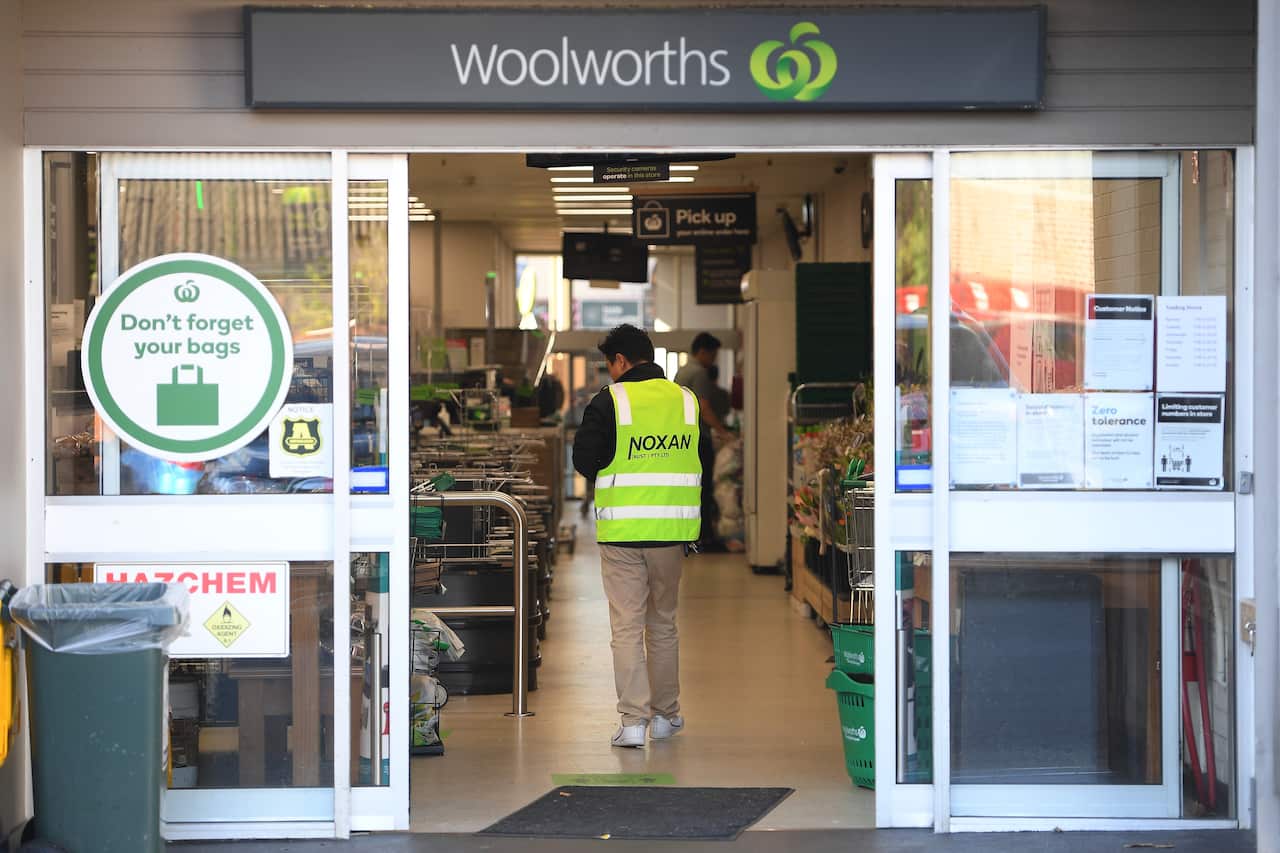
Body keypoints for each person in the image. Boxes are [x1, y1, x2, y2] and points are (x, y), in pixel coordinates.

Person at [572, 324, 713, 748]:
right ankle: (667, 716)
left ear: (620, 361)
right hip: (671, 531)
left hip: (623, 533)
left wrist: (616, 472)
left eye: (609, 364)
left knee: (627, 627)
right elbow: (701, 456)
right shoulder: (686, 401)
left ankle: (633, 722)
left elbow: (583, 458)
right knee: (664, 624)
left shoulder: (609, 400)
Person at [674, 332, 731, 441]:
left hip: (682, 433)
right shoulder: (700, 373)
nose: (713, 360)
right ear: (702, 352)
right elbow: (704, 408)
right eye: (712, 356)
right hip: (698, 435)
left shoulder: (682, 370)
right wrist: (723, 432)